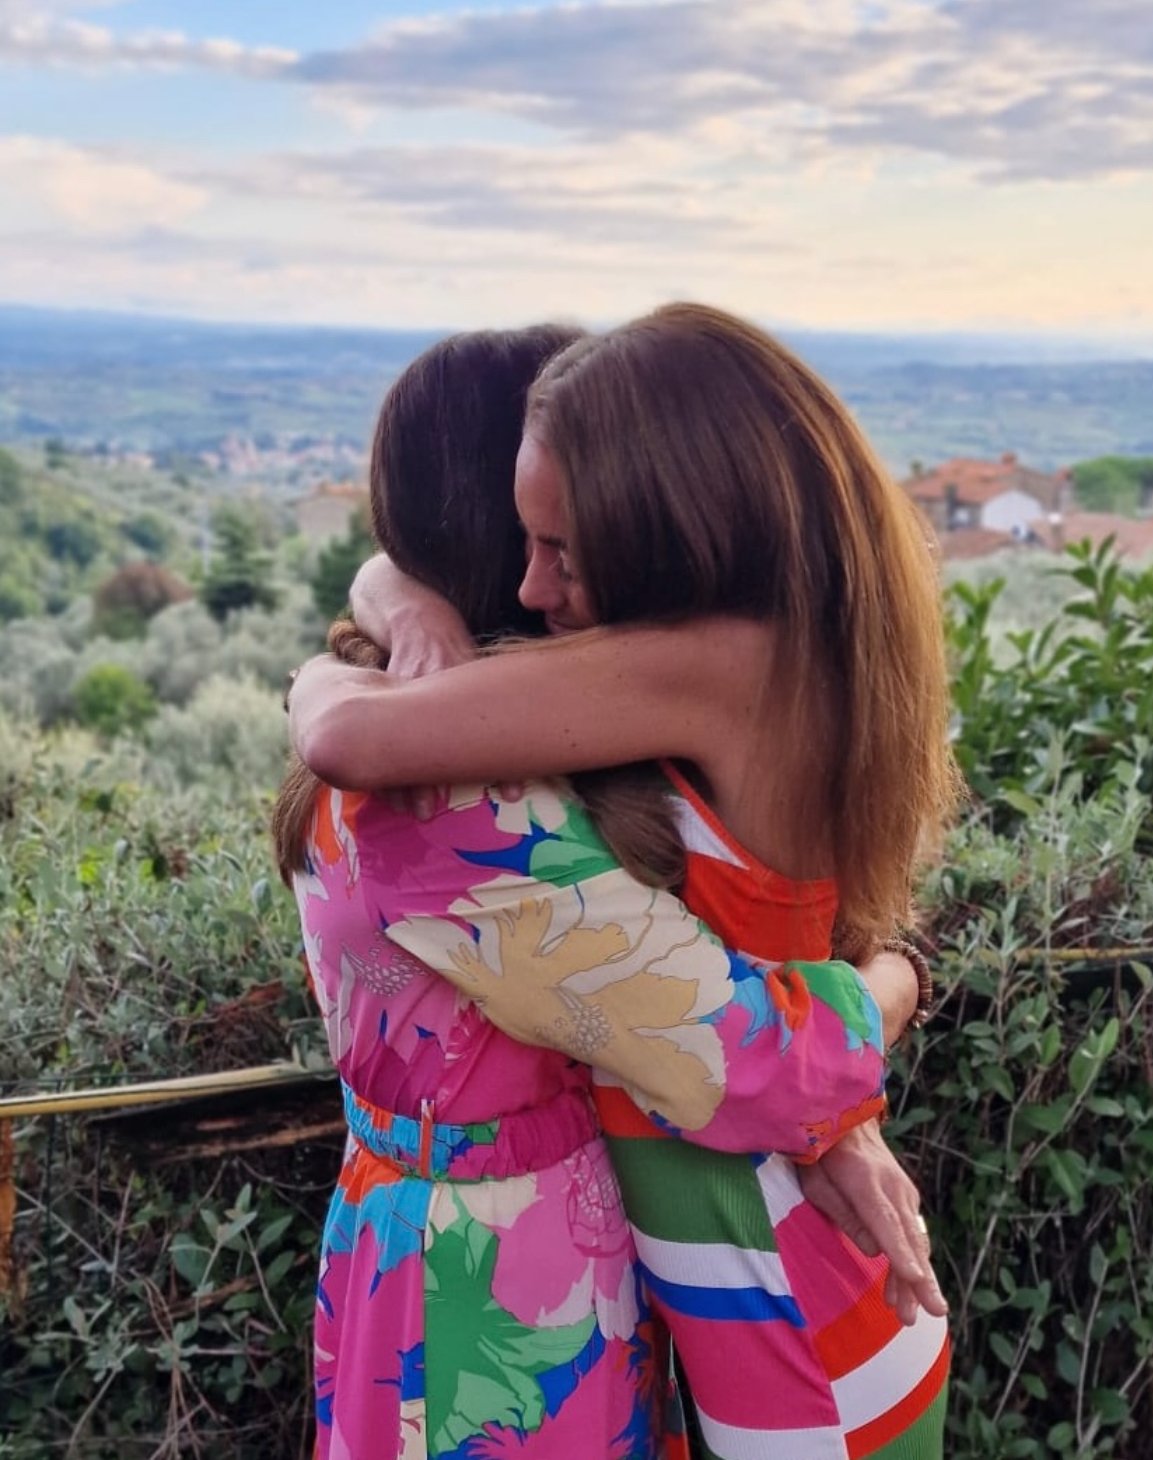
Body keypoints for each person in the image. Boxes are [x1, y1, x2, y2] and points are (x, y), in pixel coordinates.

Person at [288, 303, 959, 1458]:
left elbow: (744, 1052)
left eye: (567, 538)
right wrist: (900, 976)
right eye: (530, 538)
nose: (543, 581)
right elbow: (754, 1056)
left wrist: (385, 620)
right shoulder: (467, 806)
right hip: (512, 1289)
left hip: (706, 1282)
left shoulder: (605, 708)